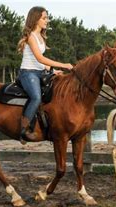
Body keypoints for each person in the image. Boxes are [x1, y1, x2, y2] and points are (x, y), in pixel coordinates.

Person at [17, 6, 73, 141]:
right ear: (36, 19)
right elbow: (40, 58)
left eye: (47, 17)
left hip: (40, 72)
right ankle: (24, 130)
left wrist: (53, 71)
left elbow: (41, 63)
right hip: (28, 73)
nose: (47, 20)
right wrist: (63, 65)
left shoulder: (41, 37)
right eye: (44, 18)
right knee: (36, 97)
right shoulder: (31, 37)